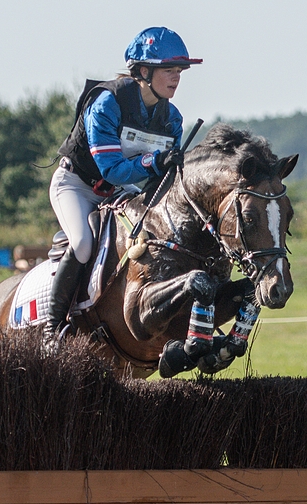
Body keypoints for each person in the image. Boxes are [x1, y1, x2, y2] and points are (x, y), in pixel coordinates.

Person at [44, 26, 202, 340]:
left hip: (119, 192)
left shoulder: (173, 119)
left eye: (180, 71)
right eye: (168, 70)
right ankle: (52, 326)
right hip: (76, 184)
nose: (176, 78)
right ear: (144, 71)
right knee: (83, 244)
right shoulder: (107, 102)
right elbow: (112, 169)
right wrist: (156, 161)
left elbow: (159, 180)